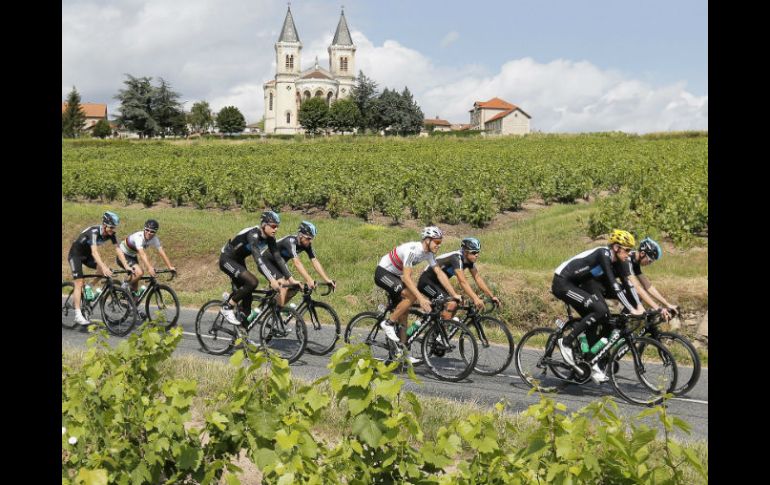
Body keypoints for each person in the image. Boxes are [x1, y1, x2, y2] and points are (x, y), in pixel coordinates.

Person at [550, 229, 645, 383]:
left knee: (603, 317)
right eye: (626, 250)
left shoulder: (618, 261)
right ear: (616, 247)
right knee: (600, 310)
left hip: (577, 285)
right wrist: (634, 309)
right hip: (563, 283)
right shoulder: (604, 254)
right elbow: (614, 286)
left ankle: (590, 361)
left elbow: (627, 285)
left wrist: (639, 306)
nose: (628, 254)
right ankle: (566, 342)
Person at [375, 226, 460, 361]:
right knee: (412, 296)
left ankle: (402, 353)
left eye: (440, 243)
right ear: (427, 240)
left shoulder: (429, 254)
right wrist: (421, 299)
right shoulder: (413, 250)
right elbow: (408, 278)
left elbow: (439, 273)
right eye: (436, 242)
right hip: (383, 273)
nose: (438, 246)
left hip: (395, 276)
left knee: (404, 313)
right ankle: (388, 323)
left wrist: (453, 294)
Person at [218, 211, 292, 325]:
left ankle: (241, 337)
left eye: (277, 226)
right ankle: (227, 307)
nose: (275, 229)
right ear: (264, 225)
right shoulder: (253, 235)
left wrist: (289, 278)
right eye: (273, 226)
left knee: (247, 301)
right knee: (252, 282)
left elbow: (278, 258)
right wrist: (272, 280)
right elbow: (258, 259)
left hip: (238, 260)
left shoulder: (270, 239)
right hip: (227, 259)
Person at [67, 211, 133, 326]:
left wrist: (127, 265)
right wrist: (103, 266)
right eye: (111, 227)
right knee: (79, 282)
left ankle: (89, 286)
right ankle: (78, 315)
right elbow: (95, 252)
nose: (113, 230)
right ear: (104, 225)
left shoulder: (111, 234)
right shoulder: (94, 232)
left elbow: (118, 250)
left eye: (114, 227)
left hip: (87, 256)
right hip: (75, 255)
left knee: (104, 271)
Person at [417, 237, 502, 320]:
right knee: (451, 303)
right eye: (473, 252)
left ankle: (437, 327)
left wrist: (492, 296)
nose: (476, 255)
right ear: (465, 252)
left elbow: (477, 278)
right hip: (426, 282)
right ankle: (437, 328)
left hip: (438, 284)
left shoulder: (468, 261)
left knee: (454, 303)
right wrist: (475, 298)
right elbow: (462, 281)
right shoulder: (456, 257)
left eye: (478, 252)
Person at [258, 220, 335, 307]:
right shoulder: (290, 241)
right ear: (300, 235)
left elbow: (315, 261)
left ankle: (273, 308)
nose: (310, 241)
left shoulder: (306, 245)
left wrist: (327, 279)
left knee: (295, 287)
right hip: (265, 261)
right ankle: (275, 313)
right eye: (308, 238)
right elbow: (297, 263)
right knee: (284, 287)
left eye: (312, 238)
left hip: (279, 265)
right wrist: (309, 279)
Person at [116, 219, 176, 300]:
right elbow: (142, 254)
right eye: (147, 230)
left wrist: (170, 266)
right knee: (140, 272)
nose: (149, 233)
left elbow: (162, 252)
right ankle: (124, 286)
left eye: (152, 231)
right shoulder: (139, 237)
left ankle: (133, 309)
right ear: (144, 229)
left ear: (155, 232)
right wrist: (149, 268)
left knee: (135, 289)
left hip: (132, 256)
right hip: (122, 255)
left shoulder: (154, 239)